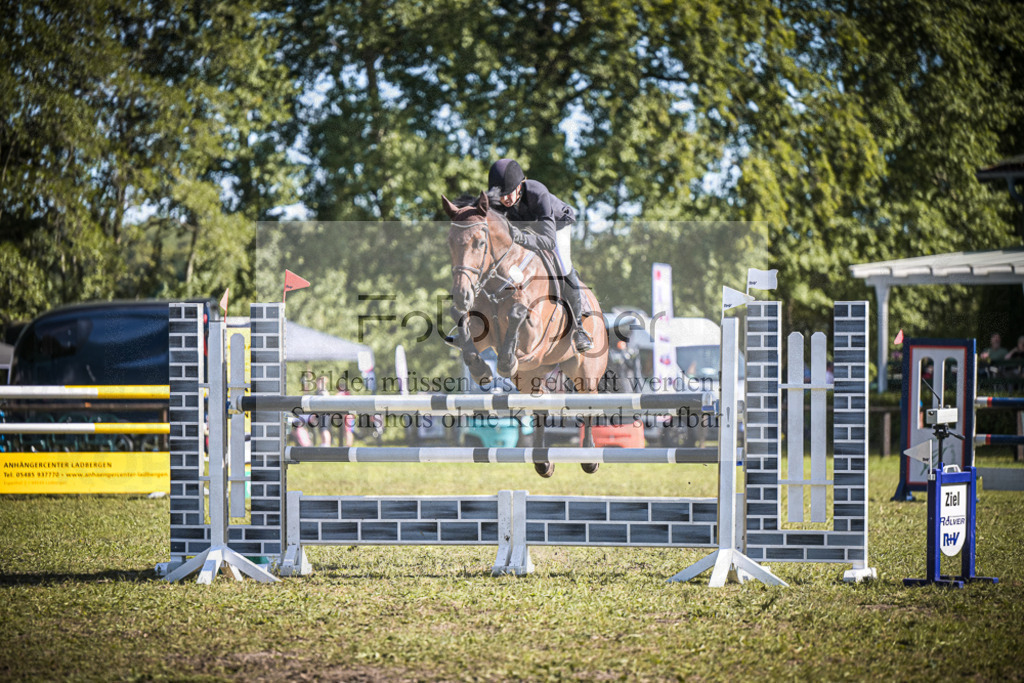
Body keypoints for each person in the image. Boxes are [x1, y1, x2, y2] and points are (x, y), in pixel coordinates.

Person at [487, 158, 593, 352]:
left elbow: (548, 240)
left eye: (508, 193)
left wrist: (519, 237)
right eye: (501, 195)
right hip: (527, 229)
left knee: (563, 265)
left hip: (556, 225)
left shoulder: (537, 192)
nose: (505, 200)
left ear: (520, 185)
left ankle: (578, 328)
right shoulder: (498, 201)